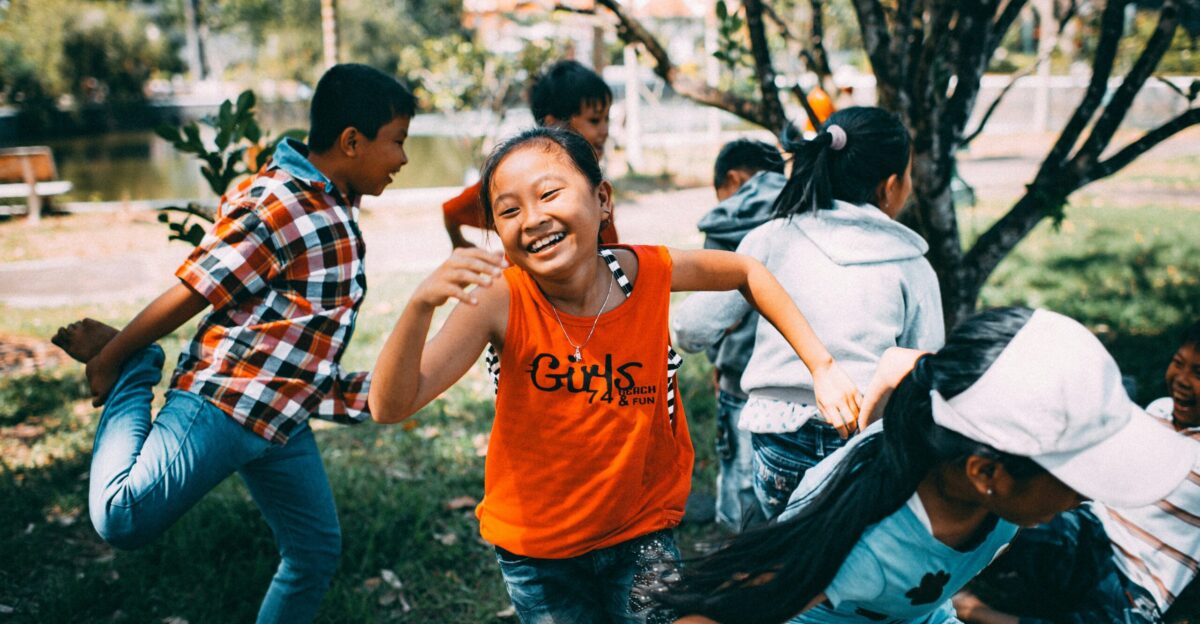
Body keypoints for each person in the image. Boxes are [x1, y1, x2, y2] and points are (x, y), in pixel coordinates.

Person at [369, 126, 861, 623]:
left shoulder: (646, 274)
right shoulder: (501, 300)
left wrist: (821, 366)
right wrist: (420, 305)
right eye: (510, 210)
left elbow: (747, 271)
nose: (534, 219)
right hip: (539, 553)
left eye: (549, 193)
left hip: (641, 531)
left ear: (602, 199)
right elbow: (390, 406)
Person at [49, 63, 416, 624]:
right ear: (351, 142)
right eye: (397, 143)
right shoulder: (281, 198)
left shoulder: (333, 202)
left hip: (280, 420)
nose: (403, 159)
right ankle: (138, 370)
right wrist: (114, 355)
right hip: (227, 401)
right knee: (121, 517)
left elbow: (301, 333)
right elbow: (197, 287)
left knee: (314, 552)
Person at [658, 307, 1200, 624]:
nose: (1088, 495)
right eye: (1079, 475)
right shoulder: (861, 548)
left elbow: (904, 364)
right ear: (986, 474)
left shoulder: (952, 416)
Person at [674, 107, 944, 523]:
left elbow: (690, 328)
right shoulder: (911, 264)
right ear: (891, 186)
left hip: (777, 441)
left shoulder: (770, 239)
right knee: (841, 559)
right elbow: (924, 366)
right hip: (862, 443)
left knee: (784, 555)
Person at [953, 319, 1200, 624]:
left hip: (1140, 579)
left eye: (1198, 373)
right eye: (1178, 363)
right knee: (1020, 520)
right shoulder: (1158, 410)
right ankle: (948, 579)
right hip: (1091, 529)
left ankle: (973, 612)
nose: (1182, 379)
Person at [673, 138, 786, 532]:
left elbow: (708, 317)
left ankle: (733, 555)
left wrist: (716, 361)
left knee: (740, 483)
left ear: (733, 179)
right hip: (798, 382)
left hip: (740, 375)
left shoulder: (729, 221)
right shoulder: (804, 209)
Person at [443, 59, 619, 249]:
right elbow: (452, 210)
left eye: (606, 119)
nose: (605, 130)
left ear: (602, 196)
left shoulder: (591, 179)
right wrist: (459, 244)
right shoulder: (517, 177)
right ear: (554, 125)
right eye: (594, 120)